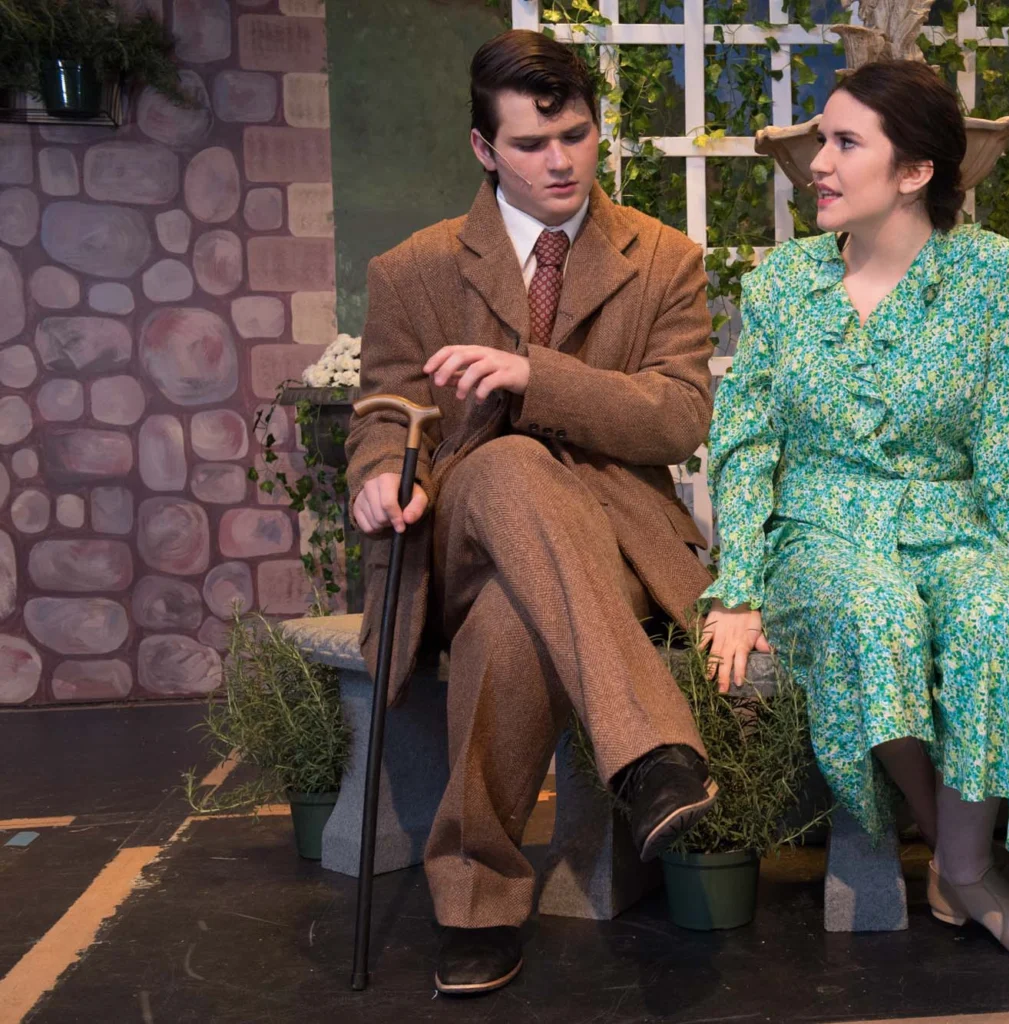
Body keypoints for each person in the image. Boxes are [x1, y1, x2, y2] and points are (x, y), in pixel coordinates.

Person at [701, 60, 1009, 962]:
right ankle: (961, 858)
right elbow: (746, 447)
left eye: (843, 142)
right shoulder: (780, 283)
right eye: (822, 138)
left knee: (986, 618)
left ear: (914, 172)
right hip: (820, 532)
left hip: (951, 524)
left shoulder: (990, 275)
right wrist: (738, 585)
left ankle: (964, 870)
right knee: (878, 613)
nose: (817, 161)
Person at [346, 30, 720, 996]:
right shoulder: (414, 270)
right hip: (464, 519)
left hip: (609, 535)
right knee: (509, 461)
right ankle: (653, 753)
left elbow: (680, 416)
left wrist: (533, 374)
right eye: (528, 144)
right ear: (483, 149)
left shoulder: (665, 259)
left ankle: (475, 901)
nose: (560, 162)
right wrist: (383, 476)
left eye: (577, 136)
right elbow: (387, 414)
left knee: (514, 626)